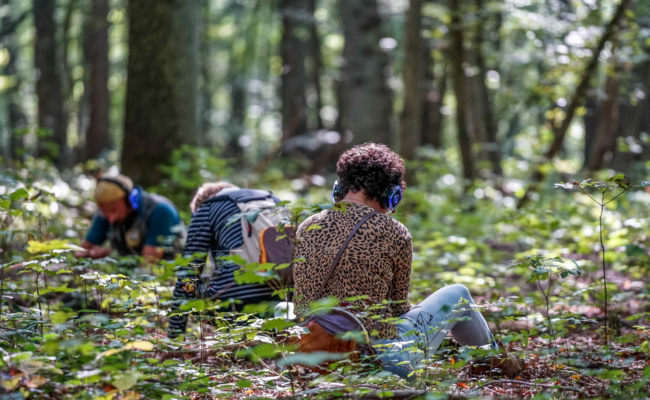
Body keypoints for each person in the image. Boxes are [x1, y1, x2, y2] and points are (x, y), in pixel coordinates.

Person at [292, 143, 521, 379]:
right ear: (391, 195)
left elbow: (301, 304)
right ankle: (498, 366)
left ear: (339, 188)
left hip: (309, 358)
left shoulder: (308, 225)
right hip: (376, 362)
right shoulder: (395, 231)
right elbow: (398, 309)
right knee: (459, 294)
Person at [168, 182, 289, 339]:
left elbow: (188, 272)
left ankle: (236, 335)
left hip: (235, 302)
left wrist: (173, 338)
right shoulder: (273, 200)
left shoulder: (208, 207)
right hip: (283, 299)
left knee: (189, 287)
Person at [74, 173, 185, 263]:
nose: (111, 219)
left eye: (114, 210)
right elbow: (80, 253)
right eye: (104, 212)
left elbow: (148, 266)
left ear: (130, 200)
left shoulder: (161, 211)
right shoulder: (106, 213)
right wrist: (91, 255)